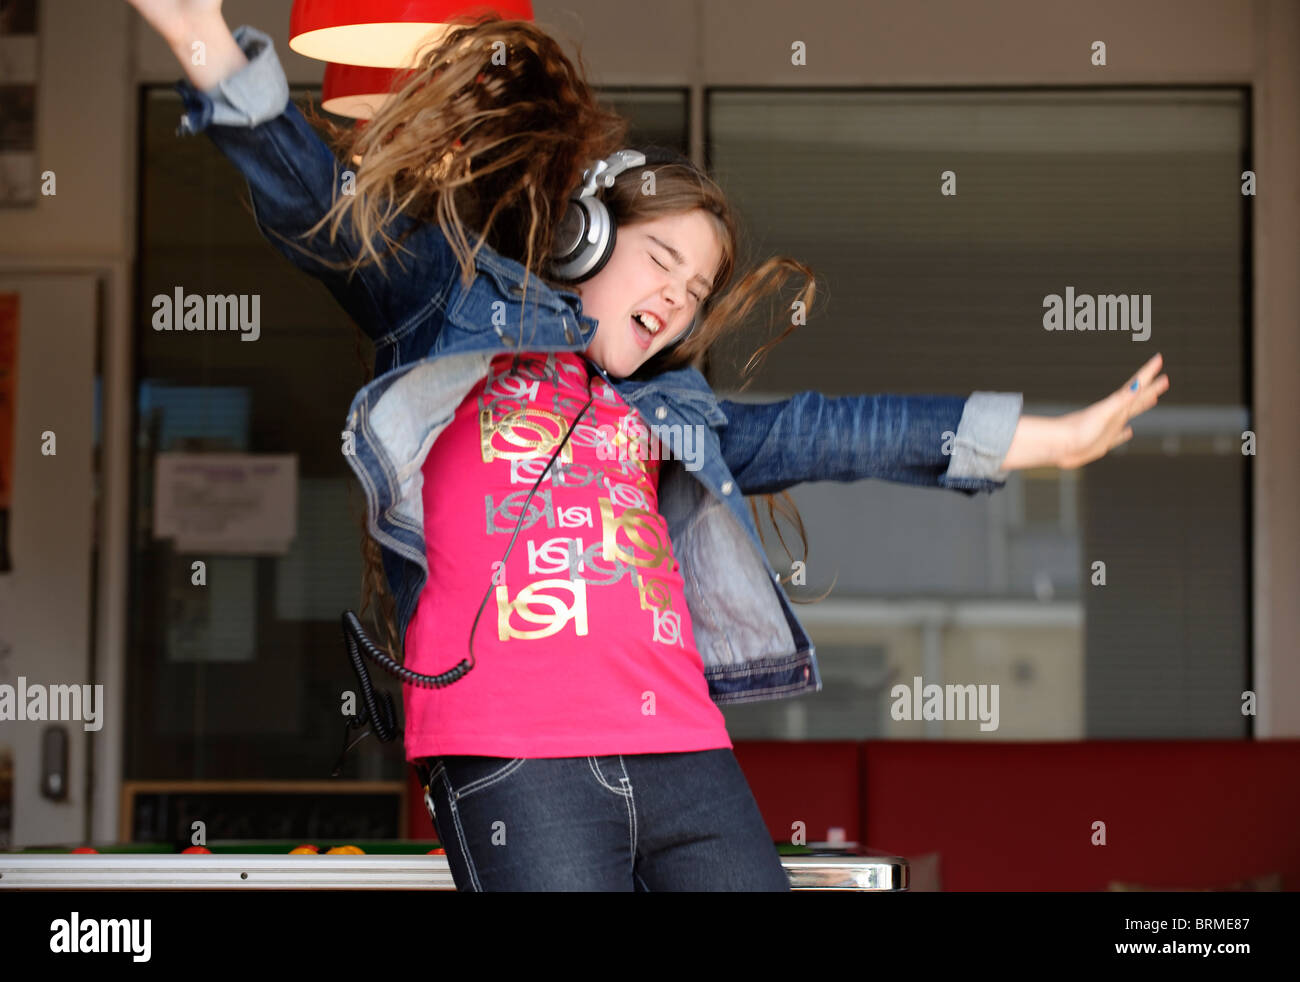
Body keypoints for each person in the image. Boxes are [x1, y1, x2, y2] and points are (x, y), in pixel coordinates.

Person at [126, 0, 1170, 891]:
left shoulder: (673, 417)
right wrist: (206, 42)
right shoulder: (439, 314)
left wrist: (1052, 439)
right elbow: (321, 203)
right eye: (660, 256)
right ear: (583, 236)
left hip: (683, 752)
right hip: (512, 760)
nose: (676, 294)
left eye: (697, 286)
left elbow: (843, 429)